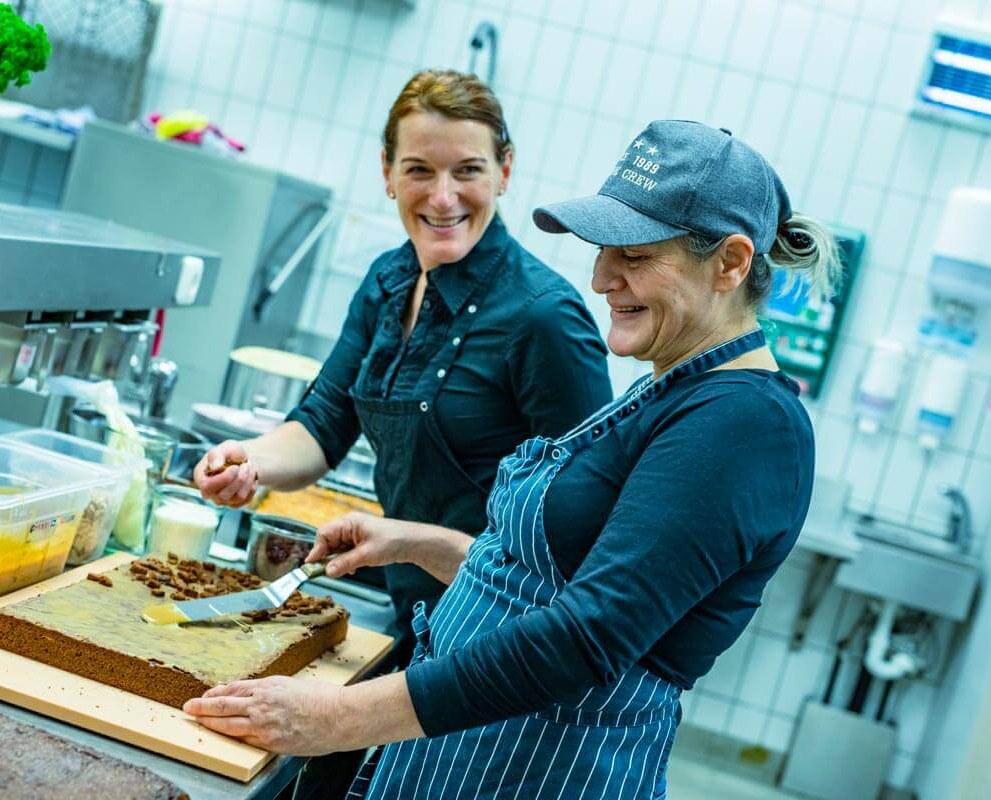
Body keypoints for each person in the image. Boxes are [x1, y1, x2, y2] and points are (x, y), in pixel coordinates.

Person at [185, 120, 840, 799]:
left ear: (731, 263)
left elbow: (585, 637)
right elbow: (552, 586)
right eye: (603, 251)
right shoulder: (675, 384)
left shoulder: (744, 425)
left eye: (636, 258)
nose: (601, 278)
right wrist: (423, 544)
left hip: (542, 772)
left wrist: (334, 719)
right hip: (471, 758)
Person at [194, 70, 611, 666]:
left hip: (500, 636)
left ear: (505, 171)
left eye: (467, 170)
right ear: (387, 173)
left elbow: (583, 527)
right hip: (410, 611)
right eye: (419, 169)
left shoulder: (543, 317)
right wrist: (250, 463)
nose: (443, 198)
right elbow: (324, 421)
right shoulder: (387, 281)